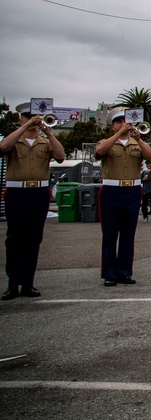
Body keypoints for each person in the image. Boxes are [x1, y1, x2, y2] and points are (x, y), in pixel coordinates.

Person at [1, 102, 66, 300]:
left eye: (35, 117)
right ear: (20, 119)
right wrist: (23, 128)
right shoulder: (15, 140)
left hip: (38, 192)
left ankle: (28, 282)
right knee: (14, 239)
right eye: (28, 117)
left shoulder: (44, 142)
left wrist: (49, 132)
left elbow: (61, 156)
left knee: (33, 238)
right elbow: (3, 147)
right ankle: (13, 283)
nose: (33, 120)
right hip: (16, 193)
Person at [95, 107, 151, 286]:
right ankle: (109, 273)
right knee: (110, 234)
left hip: (132, 190)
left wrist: (138, 139)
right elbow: (99, 152)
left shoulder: (136, 142)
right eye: (119, 122)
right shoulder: (106, 141)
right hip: (111, 190)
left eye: (126, 121)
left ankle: (124, 272)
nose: (123, 124)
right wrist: (119, 135)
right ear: (113, 126)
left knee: (128, 234)